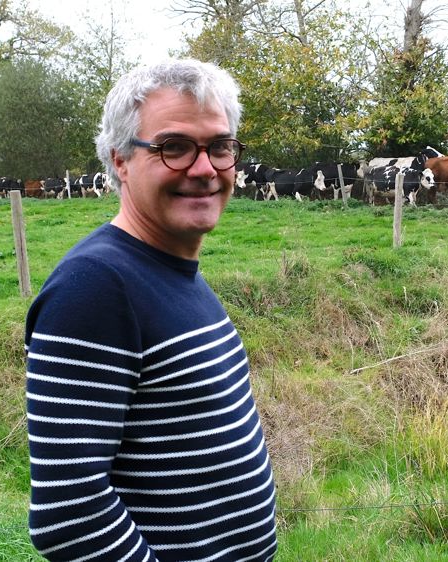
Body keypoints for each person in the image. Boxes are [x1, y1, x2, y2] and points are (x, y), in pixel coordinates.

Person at [24, 59, 278, 561]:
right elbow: (70, 516)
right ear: (120, 161)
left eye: (220, 147)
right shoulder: (95, 287)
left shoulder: (169, 269)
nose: (205, 169)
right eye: (174, 148)